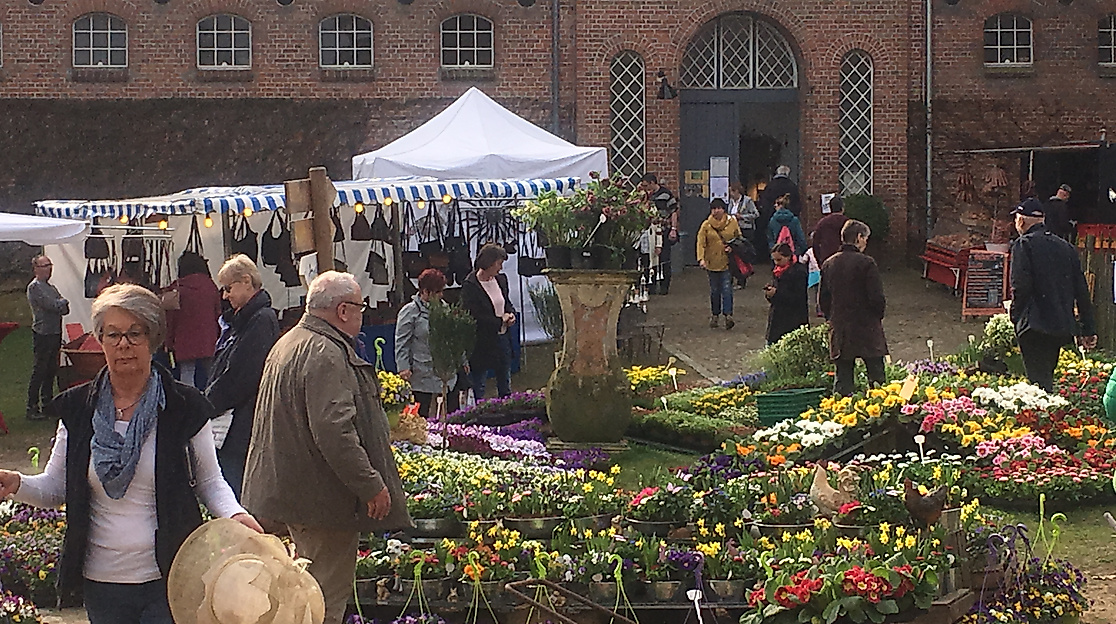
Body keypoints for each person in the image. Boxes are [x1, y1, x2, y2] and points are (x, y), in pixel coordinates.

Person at [0, 284, 261, 624]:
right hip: (102, 583)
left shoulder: (183, 406)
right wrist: (16, 482)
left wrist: (236, 516)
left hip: (170, 578)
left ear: (152, 340)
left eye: (134, 334)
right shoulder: (78, 409)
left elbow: (211, 482)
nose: (123, 344)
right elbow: (56, 488)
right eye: (113, 335)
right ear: (101, 341)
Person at [243, 271, 411, 624]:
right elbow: (334, 430)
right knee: (321, 604)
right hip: (320, 502)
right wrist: (370, 484)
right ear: (344, 310)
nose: (362, 315)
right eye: (360, 307)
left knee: (295, 601)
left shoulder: (290, 342)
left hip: (288, 495)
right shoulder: (326, 353)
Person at [204, 254, 279, 500]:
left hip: (242, 423)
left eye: (228, 288)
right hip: (235, 419)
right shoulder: (246, 320)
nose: (225, 296)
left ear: (246, 281)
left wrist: (210, 403)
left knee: (235, 488)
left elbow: (243, 375)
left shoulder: (260, 320)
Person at [1008, 198, 1096, 391]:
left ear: (1021, 221)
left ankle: (1043, 418)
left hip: (1033, 325)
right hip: (1059, 324)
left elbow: (1020, 286)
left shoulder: (1023, 245)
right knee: (1046, 377)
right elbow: (1081, 290)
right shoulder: (1066, 247)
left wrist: (1015, 316)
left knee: (1038, 384)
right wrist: (1088, 328)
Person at [819, 220, 888, 396]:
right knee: (877, 380)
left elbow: (823, 300)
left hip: (841, 327)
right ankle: (882, 416)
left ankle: (841, 416)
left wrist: (832, 318)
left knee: (843, 380)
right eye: (865, 238)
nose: (866, 242)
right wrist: (877, 316)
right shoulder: (867, 263)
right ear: (858, 237)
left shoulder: (829, 264)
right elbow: (877, 298)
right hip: (867, 327)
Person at [396, 268, 462, 418]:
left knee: (453, 414)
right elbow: (402, 342)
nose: (441, 295)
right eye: (437, 292)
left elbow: (454, 337)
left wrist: (461, 359)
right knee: (420, 415)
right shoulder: (409, 312)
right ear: (425, 291)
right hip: (421, 373)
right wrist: (403, 367)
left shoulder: (445, 309)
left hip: (446, 372)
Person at [461, 244, 517, 399]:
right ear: (489, 263)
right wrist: (499, 321)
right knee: (479, 383)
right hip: (482, 342)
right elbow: (474, 316)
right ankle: (479, 416)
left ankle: (508, 412)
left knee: (505, 379)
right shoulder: (470, 285)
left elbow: (506, 302)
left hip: (502, 338)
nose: (500, 268)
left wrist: (510, 314)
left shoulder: (501, 280)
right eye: (498, 264)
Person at [164, 252, 220, 390]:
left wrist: (168, 341)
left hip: (184, 341)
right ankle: (211, 405)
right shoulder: (210, 286)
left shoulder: (176, 290)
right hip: (209, 339)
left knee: (186, 377)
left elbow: (170, 319)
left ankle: (188, 407)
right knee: (212, 376)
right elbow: (218, 315)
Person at [26, 254, 68, 420]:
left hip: (55, 332)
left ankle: (48, 404)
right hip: (42, 333)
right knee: (40, 369)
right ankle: (32, 406)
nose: (48, 269)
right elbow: (52, 305)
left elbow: (64, 308)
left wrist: (60, 303)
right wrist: (61, 303)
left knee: (51, 369)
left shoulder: (51, 287)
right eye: (44, 266)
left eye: (49, 265)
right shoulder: (35, 287)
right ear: (36, 269)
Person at [696, 198, 743, 330]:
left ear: (724, 209)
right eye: (714, 208)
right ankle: (715, 314)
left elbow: (739, 238)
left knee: (727, 289)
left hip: (727, 262)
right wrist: (701, 259)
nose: (716, 211)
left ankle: (728, 315)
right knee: (715, 290)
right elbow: (701, 243)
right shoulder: (706, 225)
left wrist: (733, 248)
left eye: (719, 208)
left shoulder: (732, 222)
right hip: (711, 263)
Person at [639, 173, 680, 295]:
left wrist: (673, 228)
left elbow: (674, 211)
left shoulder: (666, 194)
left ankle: (664, 286)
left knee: (664, 258)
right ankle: (650, 285)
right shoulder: (645, 196)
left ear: (652, 183)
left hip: (663, 229)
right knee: (648, 258)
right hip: (649, 231)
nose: (645, 188)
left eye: (646, 185)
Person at [764, 242, 809, 345]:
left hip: (793, 320)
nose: (776, 263)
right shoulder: (777, 271)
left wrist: (777, 293)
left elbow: (799, 298)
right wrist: (770, 294)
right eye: (774, 260)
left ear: (788, 256)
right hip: (777, 320)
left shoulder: (799, 272)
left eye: (779, 259)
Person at [727, 182, 759, 288]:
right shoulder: (731, 202)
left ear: (738, 191)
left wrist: (742, 216)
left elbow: (756, 214)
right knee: (732, 257)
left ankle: (742, 279)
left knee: (742, 256)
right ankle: (732, 279)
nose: (731, 194)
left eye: (733, 191)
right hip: (733, 230)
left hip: (745, 230)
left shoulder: (747, 201)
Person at [812, 195, 848, 264]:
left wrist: (819, 260)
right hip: (844, 260)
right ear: (842, 208)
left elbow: (815, 243)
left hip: (827, 259)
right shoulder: (847, 223)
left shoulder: (822, 223)